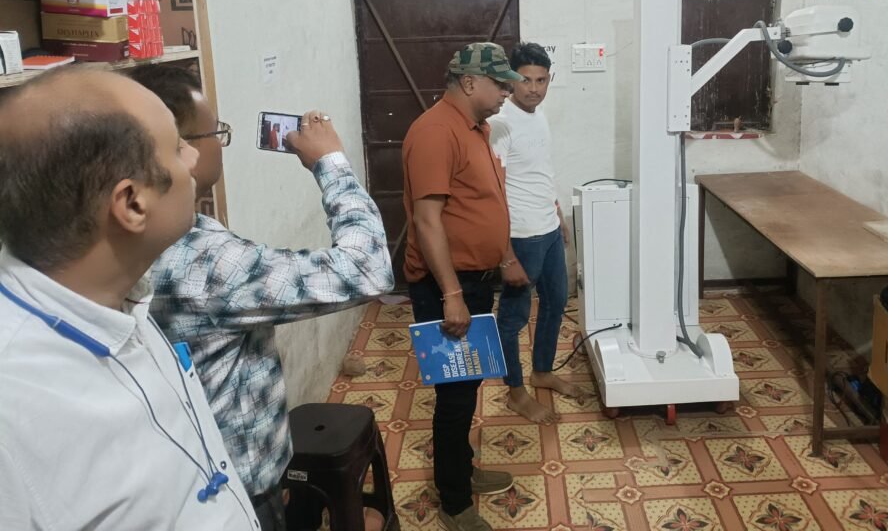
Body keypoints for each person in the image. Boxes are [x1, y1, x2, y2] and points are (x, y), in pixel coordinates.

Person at [124, 65, 393, 531]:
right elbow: (367, 267)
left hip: (174, 477)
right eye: (214, 132)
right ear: (176, 150)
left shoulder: (125, 240)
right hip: (235, 488)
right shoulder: (202, 261)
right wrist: (331, 162)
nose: (212, 147)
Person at [0, 68, 258, 530]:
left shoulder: (116, 290)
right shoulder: (15, 405)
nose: (193, 156)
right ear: (133, 204)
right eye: (176, 147)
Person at [402, 42, 527, 531]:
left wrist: (503, 256)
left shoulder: (475, 128)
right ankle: (454, 501)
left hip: (473, 282)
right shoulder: (435, 132)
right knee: (455, 394)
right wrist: (452, 295)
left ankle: (462, 468)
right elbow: (427, 220)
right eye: (500, 84)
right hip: (447, 288)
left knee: (467, 384)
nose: (507, 92)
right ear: (470, 82)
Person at [490, 42, 583, 425]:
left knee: (556, 301)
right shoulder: (501, 123)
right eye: (526, 80)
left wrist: (557, 211)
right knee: (512, 319)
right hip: (521, 235)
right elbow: (494, 189)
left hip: (547, 228)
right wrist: (505, 252)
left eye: (541, 80)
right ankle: (515, 393)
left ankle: (542, 371)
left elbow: (540, 170)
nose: (533, 88)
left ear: (549, 79)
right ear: (512, 80)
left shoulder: (538, 115)